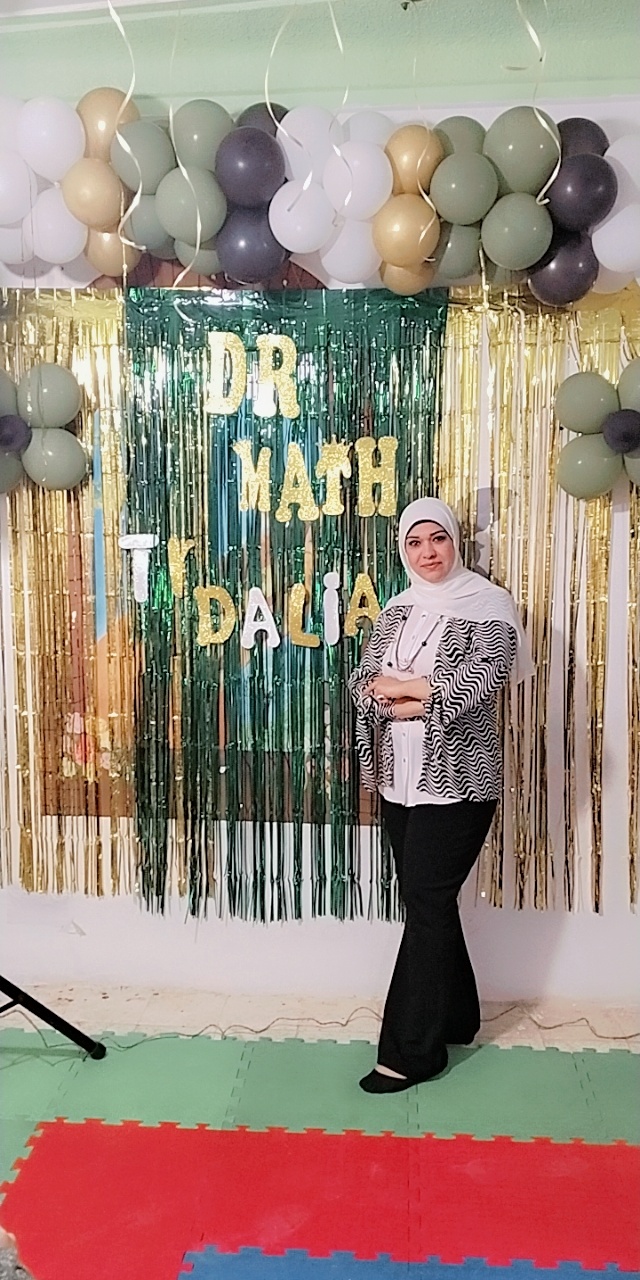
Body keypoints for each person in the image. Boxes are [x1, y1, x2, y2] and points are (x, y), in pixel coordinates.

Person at [349, 497, 533, 1094]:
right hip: (398, 780)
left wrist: (406, 693)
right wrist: (412, 692)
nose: (428, 552)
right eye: (415, 542)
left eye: (438, 539)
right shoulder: (397, 609)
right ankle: (456, 1017)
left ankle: (410, 1053)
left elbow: (481, 680)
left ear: (455, 542)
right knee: (428, 900)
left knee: (426, 901)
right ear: (403, 550)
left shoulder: (489, 605)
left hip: (460, 782)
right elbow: (361, 682)